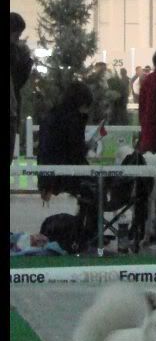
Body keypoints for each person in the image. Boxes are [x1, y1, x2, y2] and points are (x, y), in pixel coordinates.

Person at [37, 82, 97, 249]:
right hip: (65, 172)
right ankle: (90, 233)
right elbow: (75, 151)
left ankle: (85, 230)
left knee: (89, 191)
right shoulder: (72, 119)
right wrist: (88, 146)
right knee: (95, 188)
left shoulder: (53, 114)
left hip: (48, 173)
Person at [10, 12, 33, 162]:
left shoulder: (17, 52)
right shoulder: (15, 53)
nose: (18, 38)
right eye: (17, 35)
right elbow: (18, 81)